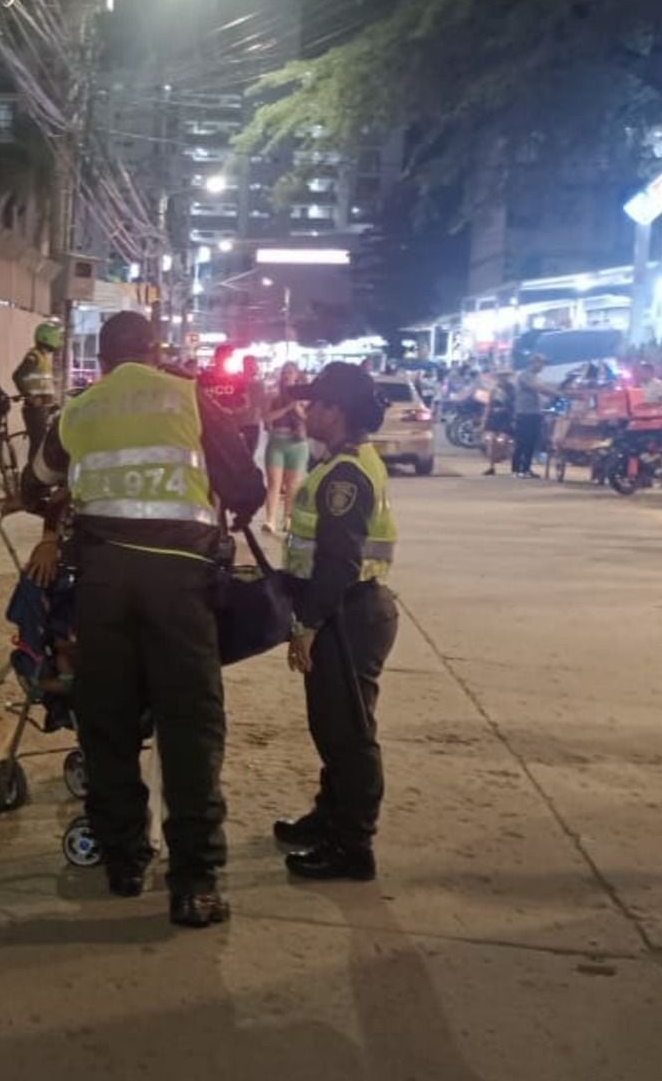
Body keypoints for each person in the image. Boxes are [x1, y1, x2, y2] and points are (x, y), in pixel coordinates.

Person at [21, 311, 265, 928]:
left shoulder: (78, 410)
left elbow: (35, 485)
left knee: (108, 724)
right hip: (180, 586)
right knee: (189, 728)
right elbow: (245, 488)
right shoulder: (190, 397)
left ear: (101, 360)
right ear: (154, 353)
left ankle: (123, 863)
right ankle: (195, 882)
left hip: (102, 585)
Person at [270, 361, 400, 883]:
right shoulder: (345, 461)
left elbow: (338, 562)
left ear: (335, 410)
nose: (306, 410)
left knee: (349, 734)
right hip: (349, 610)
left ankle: (353, 845)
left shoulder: (345, 474)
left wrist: (308, 624)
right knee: (333, 726)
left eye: (315, 403)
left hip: (349, 613)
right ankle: (329, 818)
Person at [263, 362, 311, 534]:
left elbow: (309, 419)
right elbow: (267, 417)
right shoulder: (273, 395)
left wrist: (297, 408)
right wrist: (286, 408)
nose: (286, 376)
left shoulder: (304, 397)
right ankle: (270, 520)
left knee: (292, 484)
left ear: (296, 375)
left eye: (290, 372)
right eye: (284, 372)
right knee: (274, 483)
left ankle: (288, 519)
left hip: (297, 444)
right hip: (277, 441)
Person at [13, 321, 64, 462]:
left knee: (43, 444)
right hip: (36, 409)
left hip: (44, 408)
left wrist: (52, 403)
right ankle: (31, 477)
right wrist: (29, 396)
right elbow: (18, 376)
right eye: (57, 338)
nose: (59, 342)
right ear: (48, 338)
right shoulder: (34, 356)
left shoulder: (43, 357)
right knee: (38, 445)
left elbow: (43, 384)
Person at [511, 353, 555, 477]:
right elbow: (539, 389)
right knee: (522, 442)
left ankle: (526, 469)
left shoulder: (536, 377)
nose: (542, 367)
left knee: (531, 442)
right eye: (541, 363)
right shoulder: (525, 376)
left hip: (534, 413)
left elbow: (543, 389)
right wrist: (559, 394)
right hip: (525, 413)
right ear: (534, 363)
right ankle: (516, 469)